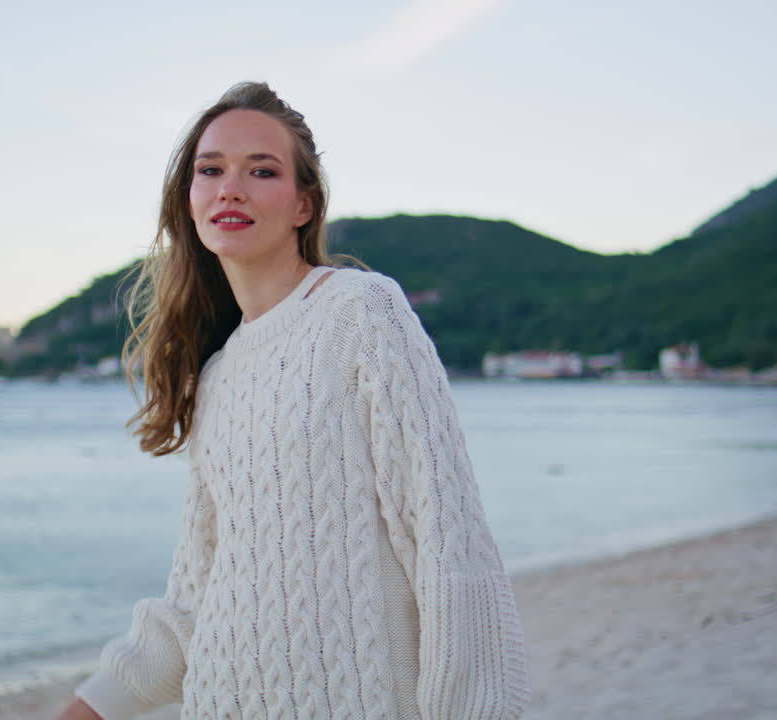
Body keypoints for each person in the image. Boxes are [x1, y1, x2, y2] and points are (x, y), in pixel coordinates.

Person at [58, 81, 529, 720]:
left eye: (262, 170)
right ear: (189, 199)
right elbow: (196, 601)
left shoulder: (360, 313)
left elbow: (448, 540)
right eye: (211, 170)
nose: (231, 188)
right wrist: (86, 708)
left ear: (303, 205)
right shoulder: (218, 375)